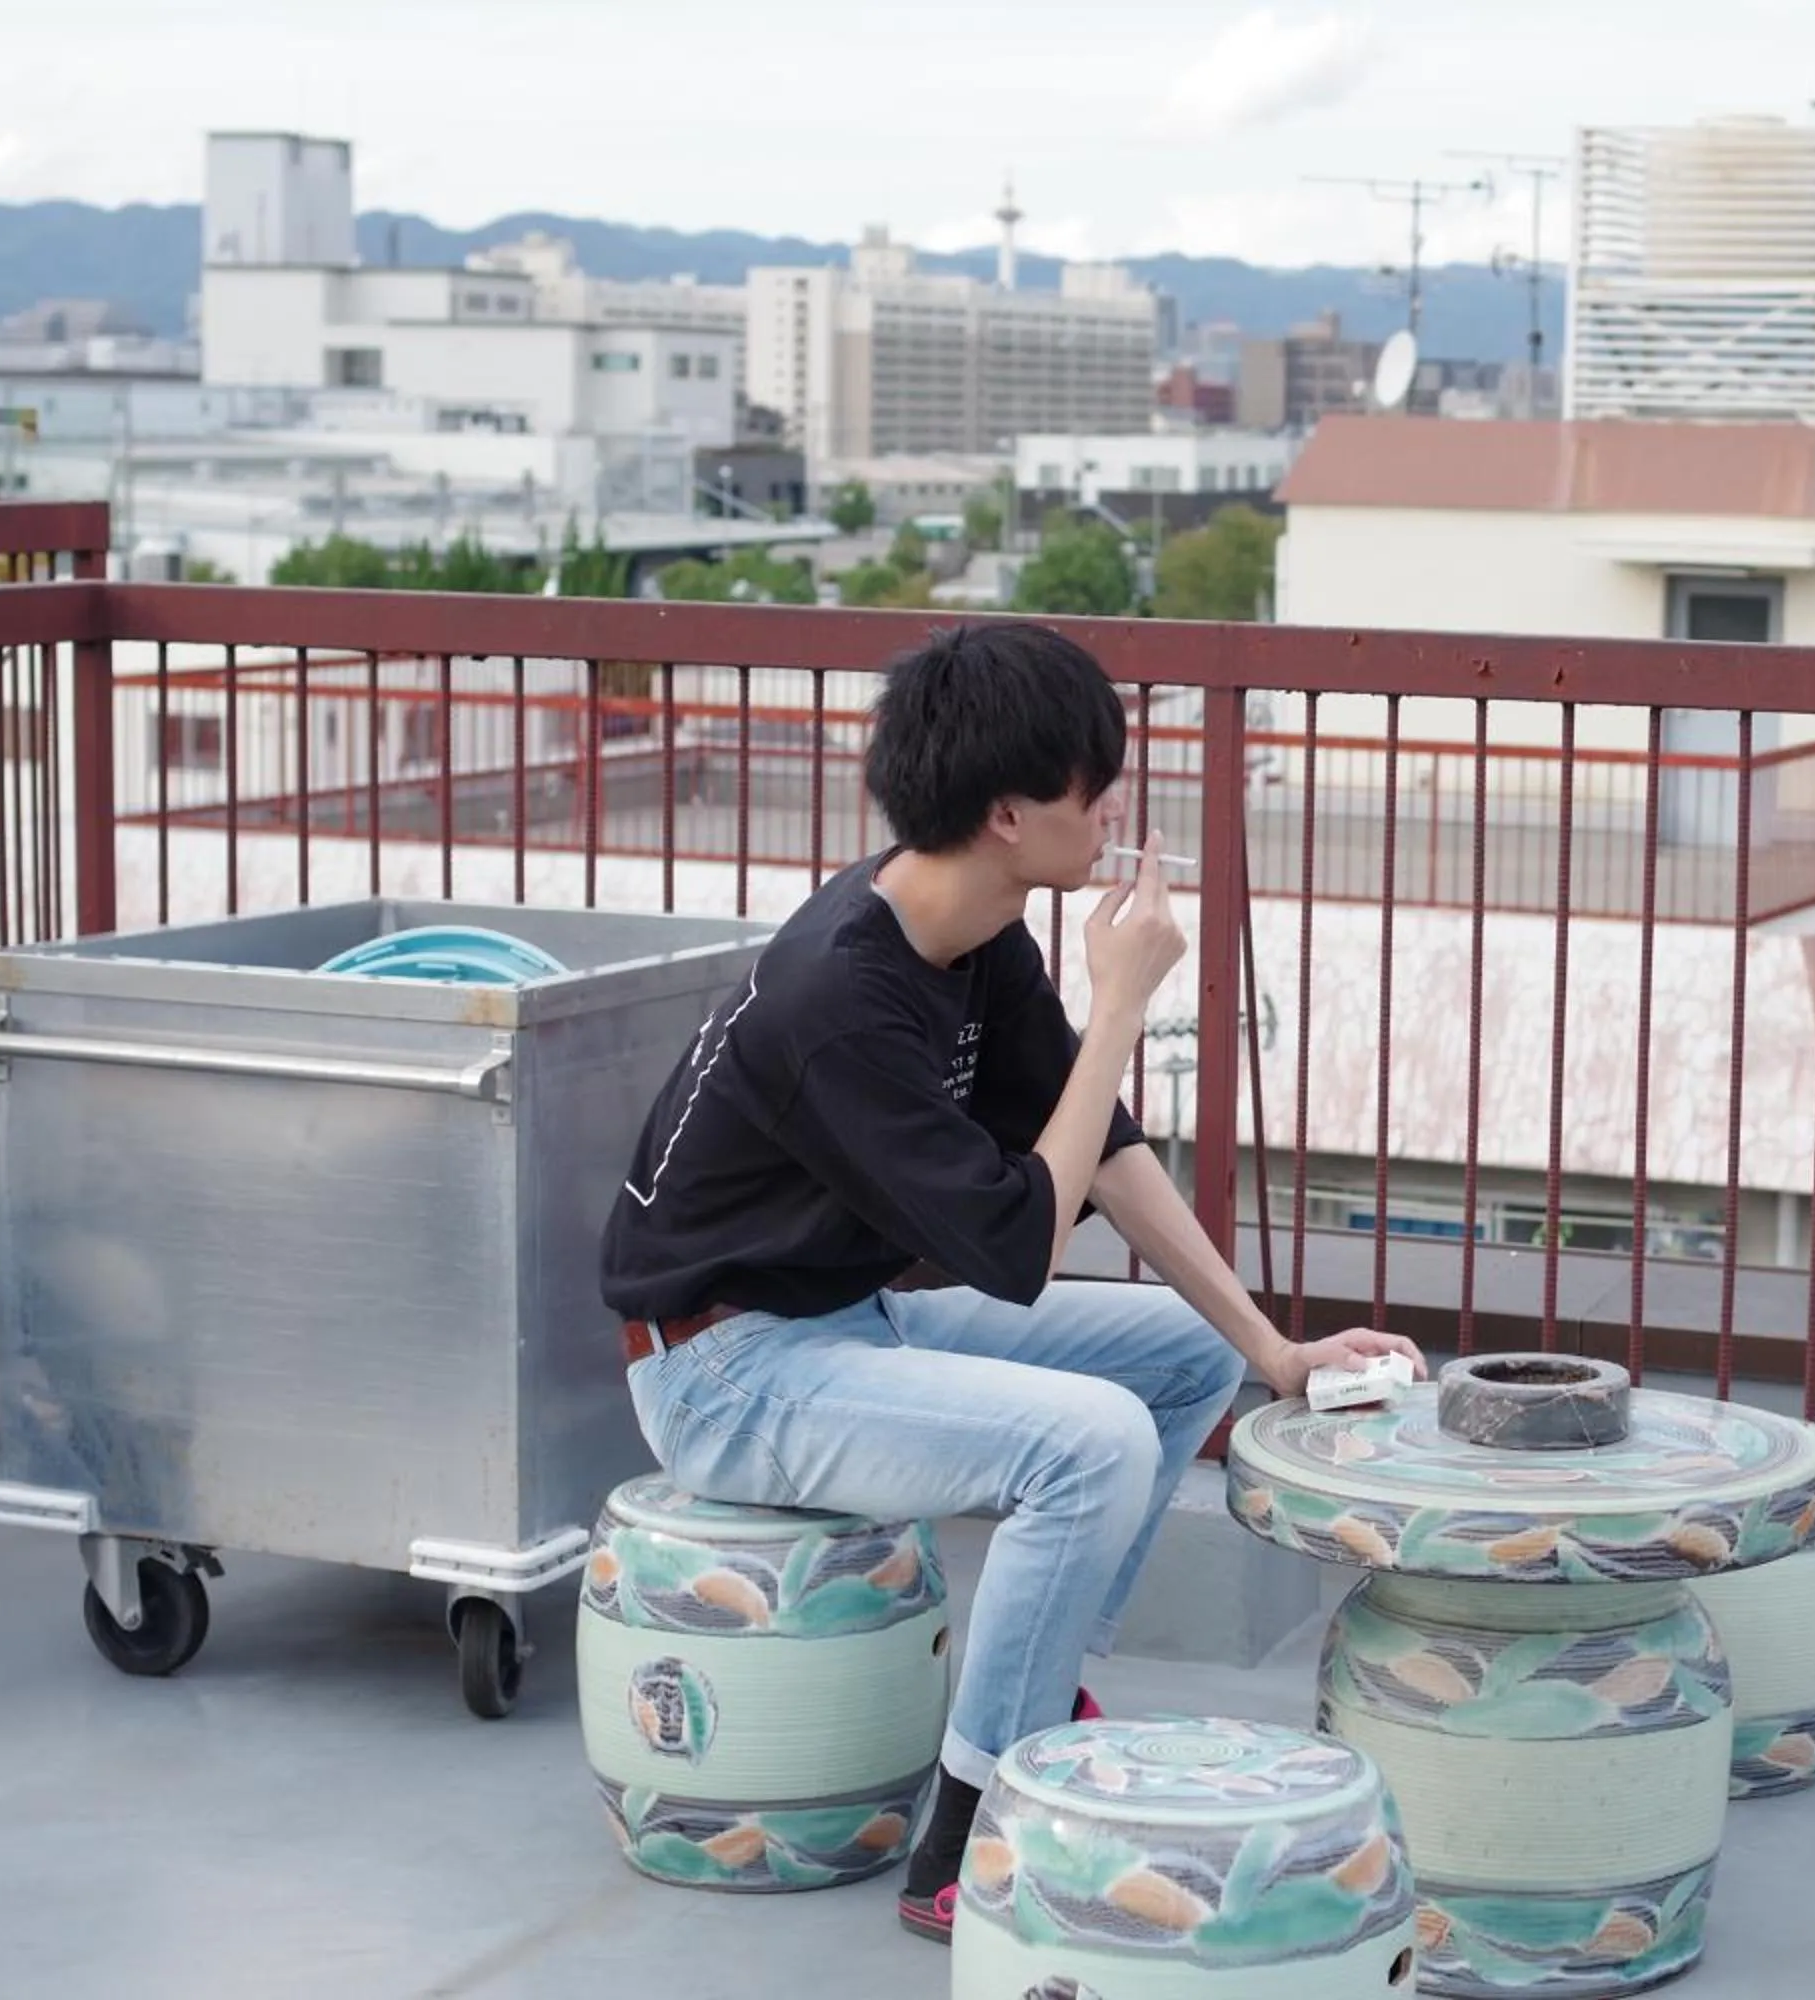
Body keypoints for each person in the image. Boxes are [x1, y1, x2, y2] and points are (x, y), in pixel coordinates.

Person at [596, 620, 1423, 1946]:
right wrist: (1121, 1008)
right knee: (1088, 1443)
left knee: (1185, 1354)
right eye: (1093, 789)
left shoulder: (975, 932)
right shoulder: (837, 999)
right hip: (723, 1371)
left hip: (841, 1322)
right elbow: (1019, 1247)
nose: (1112, 814)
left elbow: (1101, 1150)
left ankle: (1031, 1711)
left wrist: (1273, 1350)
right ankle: (969, 1835)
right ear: (1006, 814)